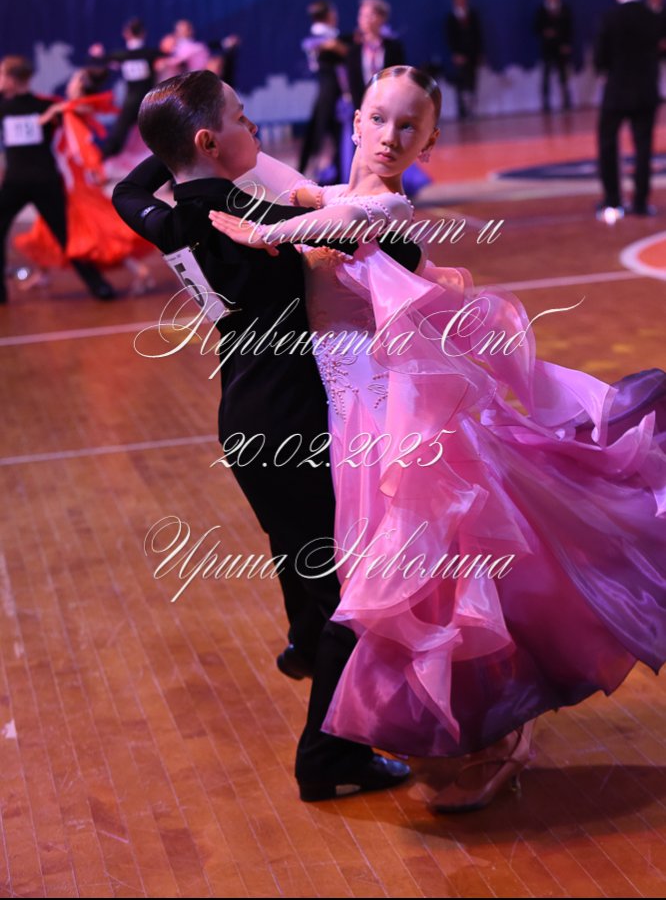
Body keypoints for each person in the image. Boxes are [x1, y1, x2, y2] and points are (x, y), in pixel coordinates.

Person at [211, 65, 666, 812]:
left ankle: (462, 725)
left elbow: (333, 222)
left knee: (422, 577)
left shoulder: (383, 205)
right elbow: (271, 176)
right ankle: (411, 719)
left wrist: (264, 230)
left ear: (429, 143)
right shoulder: (328, 195)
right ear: (354, 121)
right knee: (400, 582)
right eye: (379, 118)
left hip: (397, 422)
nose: (390, 136)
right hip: (349, 418)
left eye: (409, 126)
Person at [112, 69, 418, 801]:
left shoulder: (172, 217)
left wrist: (173, 148)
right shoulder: (242, 214)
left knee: (302, 554)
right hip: (288, 419)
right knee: (353, 590)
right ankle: (328, 757)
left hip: (244, 416)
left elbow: (126, 191)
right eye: (241, 119)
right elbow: (392, 250)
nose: (254, 129)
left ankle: (305, 644)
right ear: (210, 141)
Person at [13, 67, 154, 295]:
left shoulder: (71, 111)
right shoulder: (71, 108)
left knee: (96, 230)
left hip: (74, 182)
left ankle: (140, 270)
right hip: (67, 178)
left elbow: (81, 146)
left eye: (74, 80)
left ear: (79, 87)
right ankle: (42, 274)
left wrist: (94, 168)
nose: (70, 83)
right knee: (48, 226)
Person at [0, 55, 115, 302]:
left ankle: (99, 286)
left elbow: (82, 110)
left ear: (12, 79)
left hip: (44, 182)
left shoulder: (46, 105)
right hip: (15, 183)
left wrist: (72, 97)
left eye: (2, 75)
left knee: (66, 234)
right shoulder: (5, 106)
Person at [594, 0, 661, 221]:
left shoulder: (610, 18)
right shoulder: (652, 17)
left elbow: (600, 59)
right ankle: (641, 202)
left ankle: (613, 201)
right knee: (643, 147)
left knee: (608, 143)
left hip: (616, 92)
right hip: (645, 92)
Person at [89, 17, 162, 160]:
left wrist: (98, 55)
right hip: (149, 100)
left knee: (120, 133)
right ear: (143, 33)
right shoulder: (149, 53)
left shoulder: (123, 55)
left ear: (127, 34)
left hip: (135, 100)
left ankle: (103, 158)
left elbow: (101, 61)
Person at [298, 0, 347, 181]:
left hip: (331, 89)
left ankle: (334, 172)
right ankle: (309, 173)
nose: (335, 16)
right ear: (327, 15)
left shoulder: (328, 37)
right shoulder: (322, 36)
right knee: (321, 132)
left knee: (329, 132)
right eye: (332, 12)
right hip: (329, 89)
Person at [345, 0, 405, 110]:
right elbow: (353, 84)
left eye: (370, 15)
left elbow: (399, 78)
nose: (365, 20)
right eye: (362, 15)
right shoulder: (354, 50)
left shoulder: (393, 47)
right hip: (363, 106)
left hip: (389, 105)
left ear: (382, 18)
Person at [534, 0, 573, 112]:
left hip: (560, 47)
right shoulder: (541, 10)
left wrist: (566, 44)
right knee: (546, 75)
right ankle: (546, 102)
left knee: (563, 75)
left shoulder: (564, 9)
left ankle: (566, 100)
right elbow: (536, 27)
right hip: (547, 48)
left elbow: (569, 28)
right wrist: (545, 32)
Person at [445, 0, 483, 120]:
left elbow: (478, 34)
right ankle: (463, 111)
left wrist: (479, 52)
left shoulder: (472, 14)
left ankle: (472, 110)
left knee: (472, 81)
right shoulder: (451, 18)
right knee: (462, 83)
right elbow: (450, 37)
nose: (462, 1)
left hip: (472, 54)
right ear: (454, 0)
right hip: (460, 55)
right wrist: (455, 53)